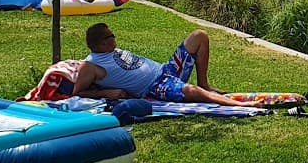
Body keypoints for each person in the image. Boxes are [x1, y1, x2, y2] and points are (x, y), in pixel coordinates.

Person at [75, 22, 249, 107]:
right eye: (110, 35)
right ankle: (239, 105)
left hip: (167, 69)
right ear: (101, 43)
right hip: (157, 86)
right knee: (191, 91)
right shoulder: (90, 66)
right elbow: (77, 93)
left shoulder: (110, 50)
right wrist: (107, 93)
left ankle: (205, 84)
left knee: (199, 36)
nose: (114, 37)